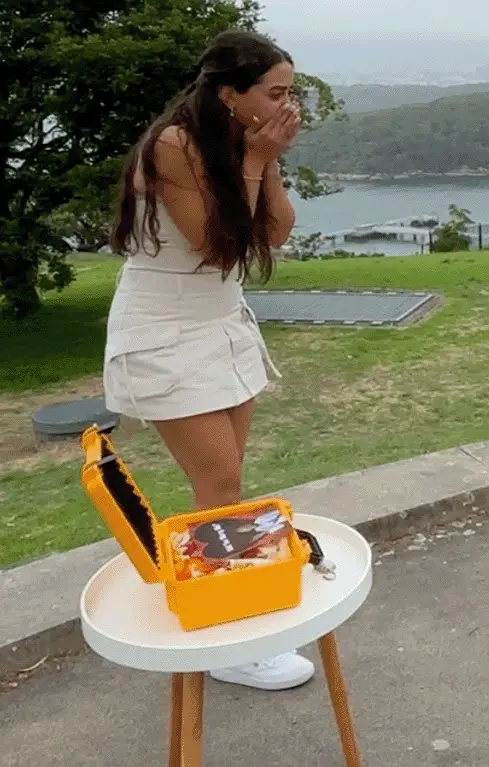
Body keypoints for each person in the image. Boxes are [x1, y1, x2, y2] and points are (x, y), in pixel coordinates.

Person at [106, 29, 311, 691]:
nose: (288, 104)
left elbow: (275, 229)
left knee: (223, 484)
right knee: (218, 482)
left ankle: (224, 610)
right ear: (230, 95)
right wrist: (257, 158)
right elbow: (217, 247)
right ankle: (225, 641)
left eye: (291, 93)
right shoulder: (174, 146)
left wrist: (267, 158)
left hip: (219, 322)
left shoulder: (240, 144)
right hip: (167, 330)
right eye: (275, 93)